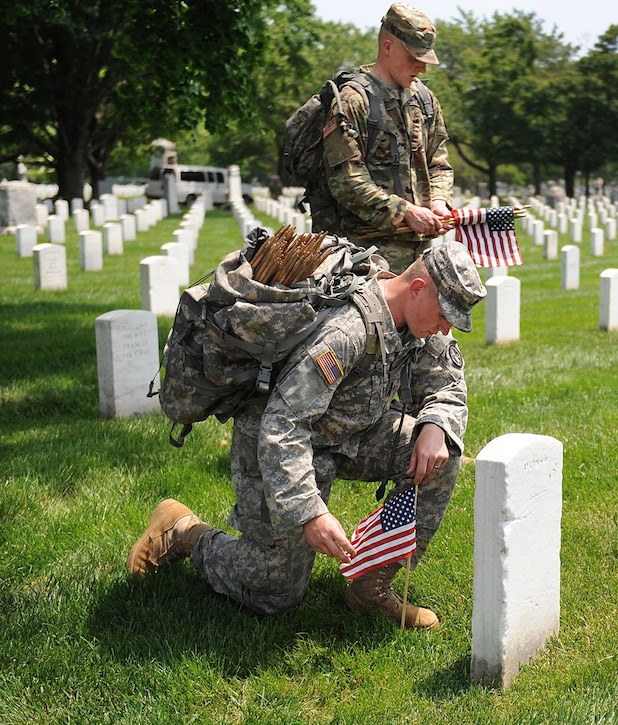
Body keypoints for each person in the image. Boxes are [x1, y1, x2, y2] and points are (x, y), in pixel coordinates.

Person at [127, 242, 486, 630]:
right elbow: (283, 425)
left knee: (441, 453)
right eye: (445, 314)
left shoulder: (419, 323)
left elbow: (447, 385)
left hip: (351, 434)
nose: (446, 327)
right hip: (280, 445)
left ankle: (371, 585)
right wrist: (309, 512)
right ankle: (184, 531)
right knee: (274, 593)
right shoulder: (348, 331)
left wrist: (436, 424)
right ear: (417, 287)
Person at [309, 3, 454, 274]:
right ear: (388, 47)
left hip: (417, 253)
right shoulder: (354, 100)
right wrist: (406, 212)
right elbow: (346, 181)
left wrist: (439, 200)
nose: (422, 69)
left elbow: (438, 161)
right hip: (361, 258)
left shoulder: (423, 99)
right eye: (414, 57)